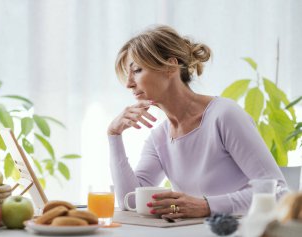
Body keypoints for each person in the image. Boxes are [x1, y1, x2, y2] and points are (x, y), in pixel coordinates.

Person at [107, 25, 287, 219]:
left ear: (170, 67)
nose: (129, 84)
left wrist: (207, 206)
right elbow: (131, 202)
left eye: (137, 71)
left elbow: (278, 193)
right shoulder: (159, 138)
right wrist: (114, 135)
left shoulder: (224, 116)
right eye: (127, 75)